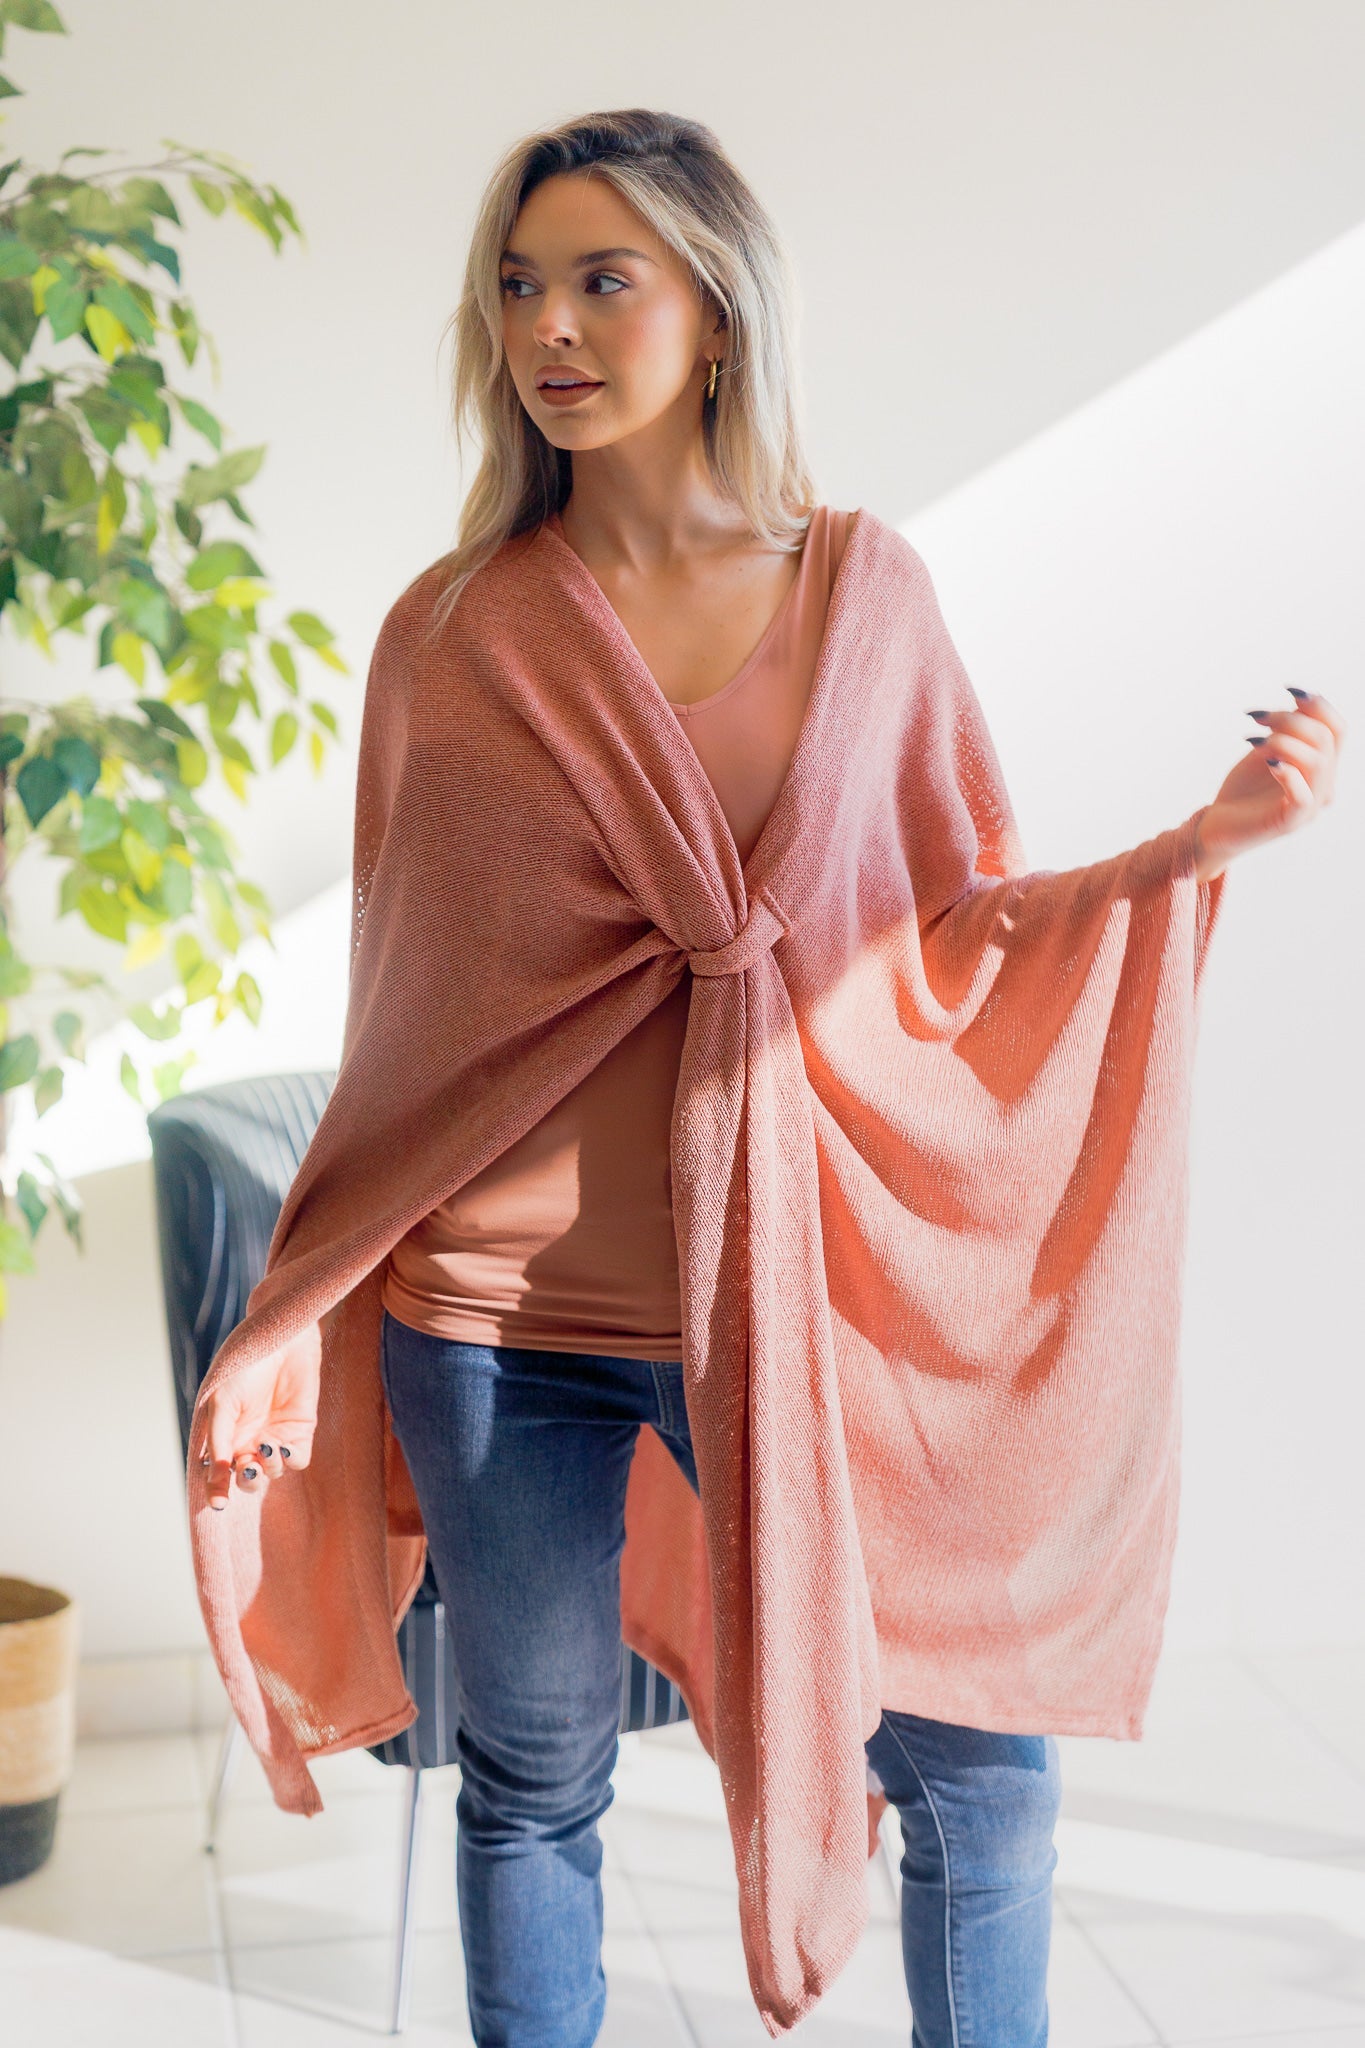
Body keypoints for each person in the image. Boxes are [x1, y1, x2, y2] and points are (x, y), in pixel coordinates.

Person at [192, 110, 1345, 2048]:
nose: (547, 327)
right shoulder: (450, 634)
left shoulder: (861, 595)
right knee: (535, 1780)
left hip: (797, 1301)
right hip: (492, 1318)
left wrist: (1192, 849)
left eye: (600, 278)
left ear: (717, 311)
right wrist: (298, 1300)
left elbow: (944, 931)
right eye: (516, 285)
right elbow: (413, 1011)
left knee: (977, 1776)